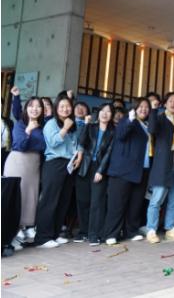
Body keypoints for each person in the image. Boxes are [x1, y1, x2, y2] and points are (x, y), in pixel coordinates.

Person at [34, 96, 81, 248]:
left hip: (69, 164)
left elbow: (78, 142)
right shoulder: (51, 123)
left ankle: (54, 234)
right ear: (56, 108)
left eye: (68, 106)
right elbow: (53, 142)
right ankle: (42, 237)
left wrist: (79, 155)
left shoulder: (72, 124)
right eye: (62, 106)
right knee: (50, 200)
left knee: (63, 201)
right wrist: (65, 128)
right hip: (54, 163)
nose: (65, 109)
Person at [103, 98, 151, 245]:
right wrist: (130, 119)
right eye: (140, 106)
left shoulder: (147, 125)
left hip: (142, 170)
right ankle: (111, 233)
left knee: (135, 204)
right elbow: (121, 134)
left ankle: (131, 231)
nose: (144, 109)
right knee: (117, 205)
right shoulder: (127, 120)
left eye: (146, 107)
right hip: (123, 170)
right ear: (134, 108)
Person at [145, 92, 174, 244]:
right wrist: (153, 110)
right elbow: (151, 130)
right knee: (157, 200)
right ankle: (151, 230)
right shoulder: (160, 119)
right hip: (163, 166)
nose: (173, 103)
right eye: (170, 101)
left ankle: (170, 228)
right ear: (165, 104)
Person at [3, 96, 46, 244]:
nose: (35, 109)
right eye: (31, 106)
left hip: (34, 164)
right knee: (16, 196)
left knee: (30, 197)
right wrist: (28, 130)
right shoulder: (20, 124)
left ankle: (22, 228)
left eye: (38, 106)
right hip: (18, 162)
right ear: (26, 108)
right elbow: (20, 145)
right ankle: (11, 233)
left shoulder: (42, 126)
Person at [74, 104, 115, 245]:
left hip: (100, 167)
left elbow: (109, 153)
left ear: (111, 115)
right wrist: (86, 125)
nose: (105, 113)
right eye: (102, 110)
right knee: (83, 200)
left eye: (108, 111)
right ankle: (83, 232)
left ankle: (94, 234)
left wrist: (101, 170)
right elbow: (81, 142)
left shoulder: (113, 132)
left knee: (97, 202)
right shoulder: (91, 127)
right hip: (85, 166)